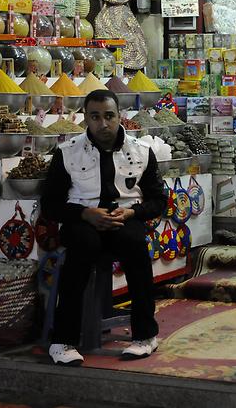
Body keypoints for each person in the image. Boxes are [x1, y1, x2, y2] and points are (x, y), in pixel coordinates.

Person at [41, 89, 166, 365]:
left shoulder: (141, 152)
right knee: (83, 247)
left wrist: (132, 212)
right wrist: (85, 213)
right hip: (81, 222)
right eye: (95, 117)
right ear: (85, 117)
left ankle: (145, 336)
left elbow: (159, 200)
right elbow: (50, 205)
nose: (103, 124)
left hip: (124, 221)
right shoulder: (67, 153)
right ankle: (63, 341)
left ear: (119, 115)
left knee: (135, 246)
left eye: (109, 116)